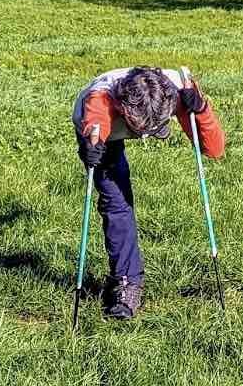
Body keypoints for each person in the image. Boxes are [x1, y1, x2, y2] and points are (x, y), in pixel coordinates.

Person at [72, 67, 226, 319]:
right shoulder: (99, 100)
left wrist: (201, 110)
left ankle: (155, 126)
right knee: (115, 201)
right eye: (142, 127)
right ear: (123, 108)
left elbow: (215, 150)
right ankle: (126, 283)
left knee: (165, 123)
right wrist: (92, 145)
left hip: (152, 109)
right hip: (106, 132)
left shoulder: (179, 91)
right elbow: (95, 124)